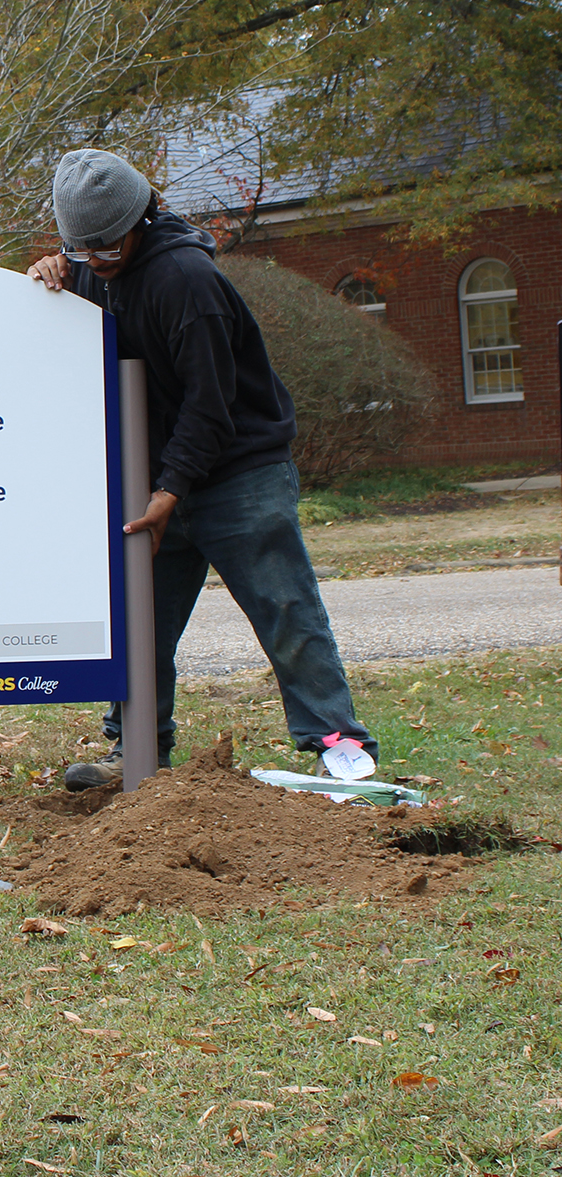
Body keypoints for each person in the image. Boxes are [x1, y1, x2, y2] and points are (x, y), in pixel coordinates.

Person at [26, 148, 377, 789]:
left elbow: (208, 406)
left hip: (240, 473)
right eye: (82, 251)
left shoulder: (187, 280)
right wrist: (56, 277)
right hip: (158, 479)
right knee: (141, 624)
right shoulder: (90, 272)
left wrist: (169, 493)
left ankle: (339, 745)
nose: (97, 262)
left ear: (142, 217)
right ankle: (135, 752)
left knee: (284, 608)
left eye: (106, 248)